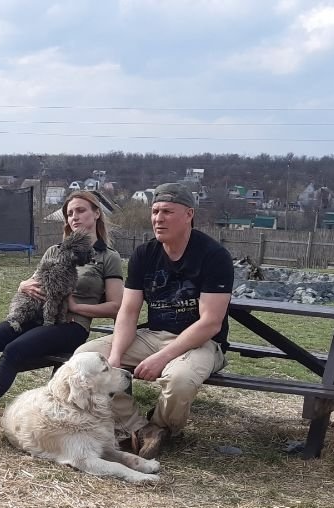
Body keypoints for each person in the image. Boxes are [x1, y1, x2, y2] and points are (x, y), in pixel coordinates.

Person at [0, 190, 125, 442]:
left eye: (81, 210)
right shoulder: (55, 251)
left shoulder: (108, 257)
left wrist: (75, 305)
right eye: (70, 213)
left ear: (96, 214)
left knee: (14, 351)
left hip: (71, 326)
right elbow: (35, 281)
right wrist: (22, 285)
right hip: (37, 317)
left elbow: (116, 306)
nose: (74, 217)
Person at [73, 182, 233, 460]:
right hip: (154, 335)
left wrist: (161, 358)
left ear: (189, 214)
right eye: (155, 211)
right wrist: (115, 356)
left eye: (167, 212)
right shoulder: (145, 254)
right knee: (86, 357)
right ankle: (138, 428)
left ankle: (162, 427)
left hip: (201, 342)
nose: (159, 218)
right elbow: (128, 312)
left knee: (180, 380)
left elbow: (210, 323)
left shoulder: (213, 255)